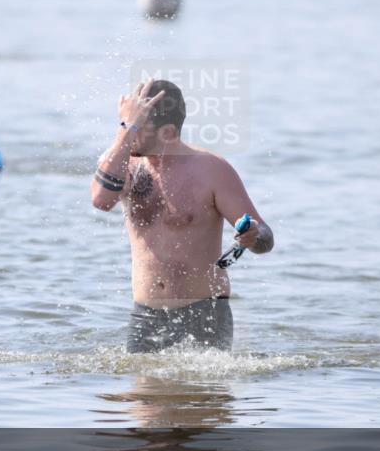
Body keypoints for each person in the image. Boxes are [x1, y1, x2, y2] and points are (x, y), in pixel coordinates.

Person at [90, 79, 274, 353]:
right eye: (127, 123)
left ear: (168, 132)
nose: (130, 135)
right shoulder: (125, 165)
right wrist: (127, 128)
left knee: (201, 395)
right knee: (143, 395)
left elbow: (265, 238)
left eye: (139, 127)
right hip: (145, 317)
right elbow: (101, 200)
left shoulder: (212, 170)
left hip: (204, 313)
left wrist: (253, 235)